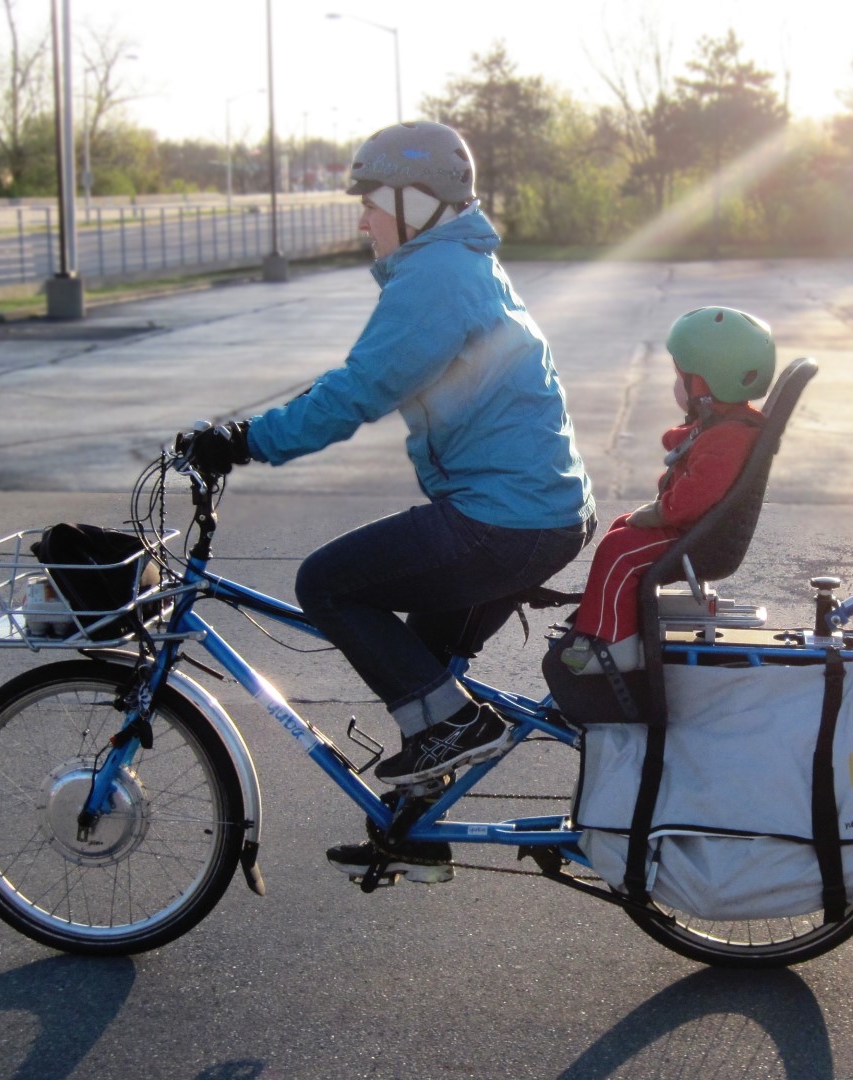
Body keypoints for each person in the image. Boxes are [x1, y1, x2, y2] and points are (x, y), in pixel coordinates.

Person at [182, 121, 594, 880]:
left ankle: (458, 728)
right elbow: (362, 381)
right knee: (428, 672)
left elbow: (359, 390)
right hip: (535, 514)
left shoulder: (436, 276)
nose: (362, 219)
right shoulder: (461, 263)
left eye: (371, 201)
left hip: (503, 521)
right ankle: (418, 831)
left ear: (416, 201)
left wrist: (243, 442)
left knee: (327, 585)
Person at [559, 306, 775, 675]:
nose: (676, 386)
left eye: (682, 378)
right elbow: (697, 451)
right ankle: (609, 614)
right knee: (623, 527)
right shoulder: (731, 426)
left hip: (698, 539)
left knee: (619, 551)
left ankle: (611, 644)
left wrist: (660, 513)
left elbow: (695, 497)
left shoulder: (728, 437)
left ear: (705, 387)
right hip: (698, 531)